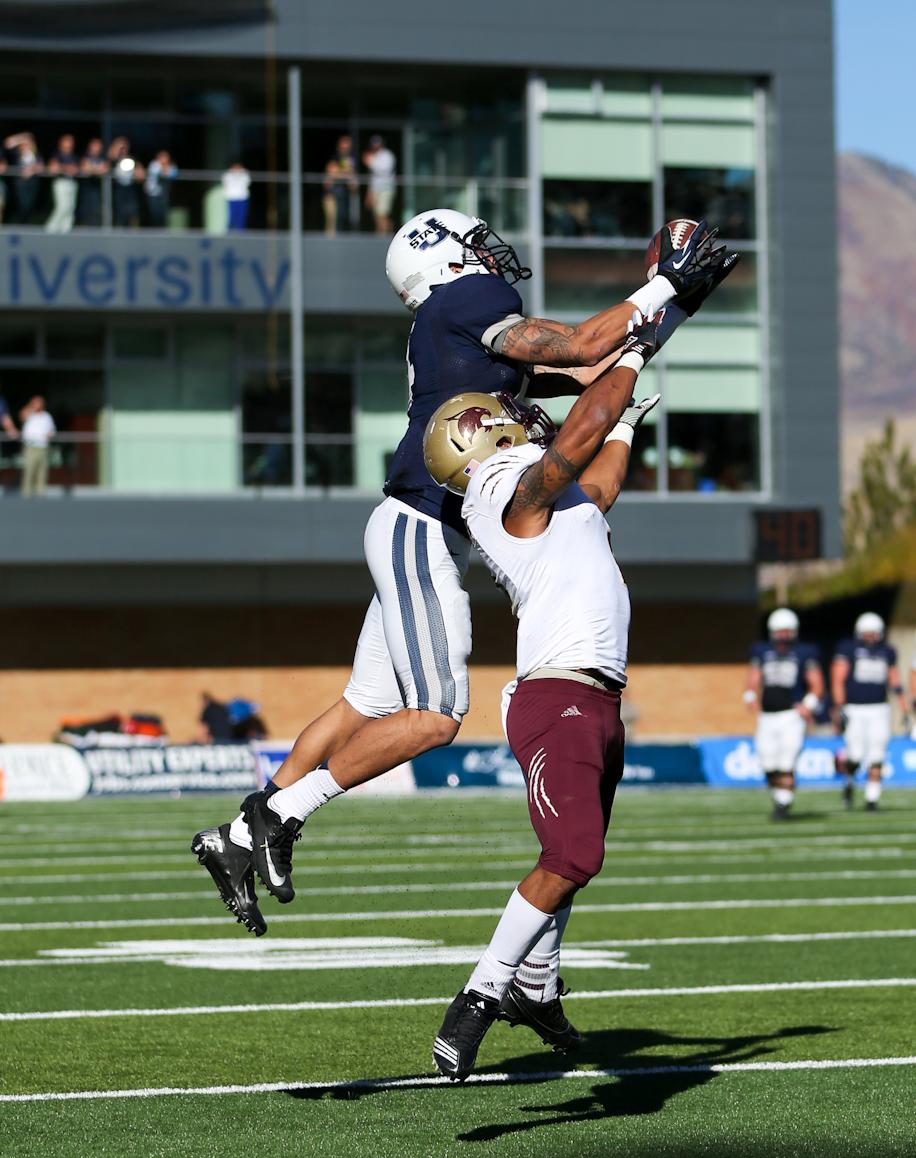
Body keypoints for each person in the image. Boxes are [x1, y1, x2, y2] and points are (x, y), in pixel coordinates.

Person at [191, 209, 731, 936]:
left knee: (364, 702)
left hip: (415, 526)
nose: (491, 253)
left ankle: (236, 835)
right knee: (437, 716)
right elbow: (580, 343)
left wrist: (675, 306)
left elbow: (592, 370)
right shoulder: (467, 301)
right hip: (423, 526)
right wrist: (663, 283)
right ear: (442, 260)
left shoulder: (456, 335)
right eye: (474, 243)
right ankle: (281, 814)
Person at [421, 297, 715, 1080]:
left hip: (593, 695)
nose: (520, 416)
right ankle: (482, 994)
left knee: (577, 853)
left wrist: (626, 411)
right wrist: (629, 357)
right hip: (560, 697)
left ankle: (537, 986)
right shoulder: (508, 494)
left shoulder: (541, 497)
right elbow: (578, 438)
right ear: (479, 435)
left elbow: (601, 481)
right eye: (505, 414)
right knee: (576, 853)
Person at [743, 608, 824, 820]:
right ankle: (780, 799)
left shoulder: (804, 652)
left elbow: (816, 683)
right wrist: (750, 694)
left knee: (787, 761)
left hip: (791, 715)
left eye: (787, 631)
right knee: (768, 763)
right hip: (767, 716)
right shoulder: (761, 651)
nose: (784, 636)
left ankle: (783, 805)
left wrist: (809, 704)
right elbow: (754, 677)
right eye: (780, 631)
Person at [831, 612, 907, 811]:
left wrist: (903, 705)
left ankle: (871, 799)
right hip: (854, 708)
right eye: (867, 633)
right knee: (855, 755)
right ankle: (848, 781)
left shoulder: (887, 651)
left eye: (874, 634)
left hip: (879, 708)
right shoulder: (849, 649)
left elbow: (894, 678)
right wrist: (839, 706)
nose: (870, 637)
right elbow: (838, 679)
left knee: (877, 753)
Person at [19, 395, 56, 497]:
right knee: (29, 470)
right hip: (31, 447)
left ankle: (41, 493)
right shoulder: (29, 414)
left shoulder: (47, 416)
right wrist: (31, 406)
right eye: (35, 402)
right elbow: (22, 415)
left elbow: (52, 431)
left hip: (43, 447)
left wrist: (50, 435)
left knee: (42, 471)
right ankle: (27, 493)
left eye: (39, 402)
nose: (37, 405)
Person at [3, 132, 43, 222]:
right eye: (24, 143)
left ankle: (26, 222)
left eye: (28, 142)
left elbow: (40, 166)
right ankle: (20, 222)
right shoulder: (17, 153)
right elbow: (8, 143)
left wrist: (31, 170)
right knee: (22, 204)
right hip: (20, 182)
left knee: (30, 204)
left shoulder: (35, 154)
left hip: (32, 182)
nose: (26, 144)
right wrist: (21, 137)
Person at [322, 135, 357, 235]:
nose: (345, 150)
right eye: (343, 147)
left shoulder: (351, 160)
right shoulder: (335, 157)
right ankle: (329, 245)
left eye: (348, 147)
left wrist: (345, 174)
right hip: (331, 195)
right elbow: (332, 171)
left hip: (343, 196)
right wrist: (346, 173)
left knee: (341, 219)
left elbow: (353, 182)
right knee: (331, 219)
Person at [45, 134, 80, 232]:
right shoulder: (57, 154)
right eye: (67, 141)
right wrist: (67, 168)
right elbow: (53, 168)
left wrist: (69, 168)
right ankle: (50, 230)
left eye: (71, 141)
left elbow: (77, 168)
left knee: (70, 208)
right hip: (60, 182)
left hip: (71, 183)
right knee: (62, 207)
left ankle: (66, 231)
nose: (70, 144)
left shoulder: (73, 156)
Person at [363, 135, 396, 234]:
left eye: (377, 144)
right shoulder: (374, 156)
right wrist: (369, 194)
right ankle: (381, 234)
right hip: (375, 190)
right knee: (377, 215)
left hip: (386, 189)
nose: (375, 146)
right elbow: (373, 178)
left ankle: (385, 235)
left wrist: (371, 163)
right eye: (374, 144)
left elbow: (385, 171)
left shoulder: (388, 155)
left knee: (382, 213)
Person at [108, 137, 144, 227]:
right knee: (120, 212)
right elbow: (109, 159)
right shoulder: (113, 160)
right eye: (120, 147)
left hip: (130, 189)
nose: (123, 149)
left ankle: (134, 231)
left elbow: (141, 174)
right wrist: (116, 150)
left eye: (125, 147)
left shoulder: (133, 159)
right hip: (117, 189)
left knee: (133, 211)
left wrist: (138, 173)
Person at [78, 138, 109, 226]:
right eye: (95, 145)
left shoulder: (102, 157)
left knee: (97, 213)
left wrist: (93, 169)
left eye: (99, 146)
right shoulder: (85, 156)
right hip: (87, 190)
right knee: (86, 213)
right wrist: (97, 169)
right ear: (90, 146)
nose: (98, 148)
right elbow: (85, 168)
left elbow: (106, 168)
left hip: (98, 190)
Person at [143, 150, 176, 227]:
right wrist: (164, 169)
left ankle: (162, 230)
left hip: (163, 194)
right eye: (164, 157)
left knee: (163, 213)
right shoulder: (154, 164)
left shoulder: (171, 165)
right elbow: (159, 173)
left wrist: (167, 169)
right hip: (152, 193)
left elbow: (174, 174)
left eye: (167, 157)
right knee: (154, 213)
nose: (165, 159)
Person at [222, 162, 251, 230]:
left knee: (241, 217)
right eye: (235, 167)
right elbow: (226, 182)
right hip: (231, 198)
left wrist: (240, 173)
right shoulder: (227, 174)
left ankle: (240, 232)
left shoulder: (245, 174)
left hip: (242, 198)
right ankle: (229, 232)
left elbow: (247, 182)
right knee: (231, 216)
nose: (236, 169)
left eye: (238, 167)